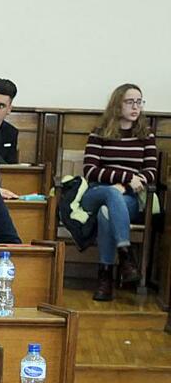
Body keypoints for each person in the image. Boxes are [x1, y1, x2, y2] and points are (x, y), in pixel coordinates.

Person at [81, 83, 156, 301]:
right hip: (97, 192)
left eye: (139, 102)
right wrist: (125, 178)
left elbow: (151, 171)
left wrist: (127, 185)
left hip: (129, 197)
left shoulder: (146, 135)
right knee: (110, 196)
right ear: (117, 104)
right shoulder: (100, 132)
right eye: (130, 102)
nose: (136, 107)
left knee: (107, 212)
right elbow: (90, 170)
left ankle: (105, 277)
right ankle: (125, 255)